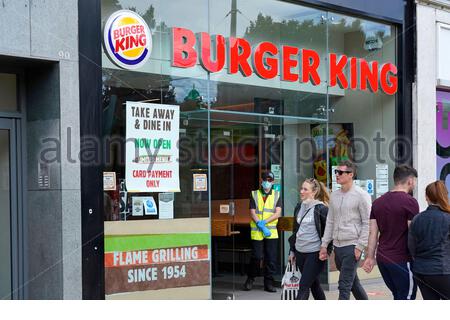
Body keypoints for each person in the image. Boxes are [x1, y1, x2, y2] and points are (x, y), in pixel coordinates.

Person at [362, 165, 419, 299]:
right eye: (415, 181)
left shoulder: (377, 202)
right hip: (402, 260)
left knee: (398, 295)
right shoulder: (410, 202)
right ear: (410, 180)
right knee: (407, 297)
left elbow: (373, 234)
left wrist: (370, 257)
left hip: (383, 260)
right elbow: (414, 233)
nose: (414, 184)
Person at [319, 160, 371, 300]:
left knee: (344, 285)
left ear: (351, 174)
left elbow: (367, 223)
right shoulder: (334, 195)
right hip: (338, 246)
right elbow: (330, 221)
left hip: (352, 245)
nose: (337, 175)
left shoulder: (362, 195)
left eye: (340, 172)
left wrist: (360, 246)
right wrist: (324, 245)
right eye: (336, 172)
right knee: (353, 284)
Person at [288, 178, 332, 300]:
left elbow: (329, 232)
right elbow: (295, 232)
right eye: (301, 188)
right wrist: (292, 251)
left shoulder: (321, 209)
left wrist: (327, 250)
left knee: (303, 286)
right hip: (300, 252)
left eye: (305, 189)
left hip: (315, 254)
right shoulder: (298, 207)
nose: (301, 191)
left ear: (314, 192)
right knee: (314, 285)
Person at [408, 180, 450, 300]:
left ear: (427, 197)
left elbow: (411, 247)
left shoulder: (417, 219)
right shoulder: (448, 218)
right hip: (443, 270)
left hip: (421, 271)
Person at [243, 171, 281, 292]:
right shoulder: (254, 194)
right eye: (265, 179)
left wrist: (264, 223)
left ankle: (268, 283)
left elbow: (278, 213)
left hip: (270, 231)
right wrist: (259, 223)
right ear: (261, 180)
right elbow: (252, 212)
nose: (267, 182)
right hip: (257, 230)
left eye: (270, 180)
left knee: (271, 258)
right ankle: (250, 278)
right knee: (257, 256)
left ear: (273, 182)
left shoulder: (276, 194)